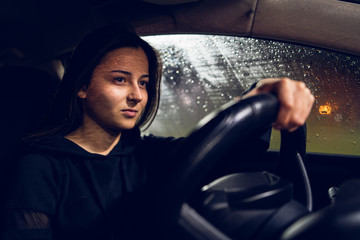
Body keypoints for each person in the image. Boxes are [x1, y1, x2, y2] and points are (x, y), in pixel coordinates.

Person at [0, 25, 314, 240]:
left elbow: (227, 154)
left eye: (144, 83)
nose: (137, 95)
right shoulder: (39, 166)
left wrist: (260, 93)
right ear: (82, 86)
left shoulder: (147, 154)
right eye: (120, 80)